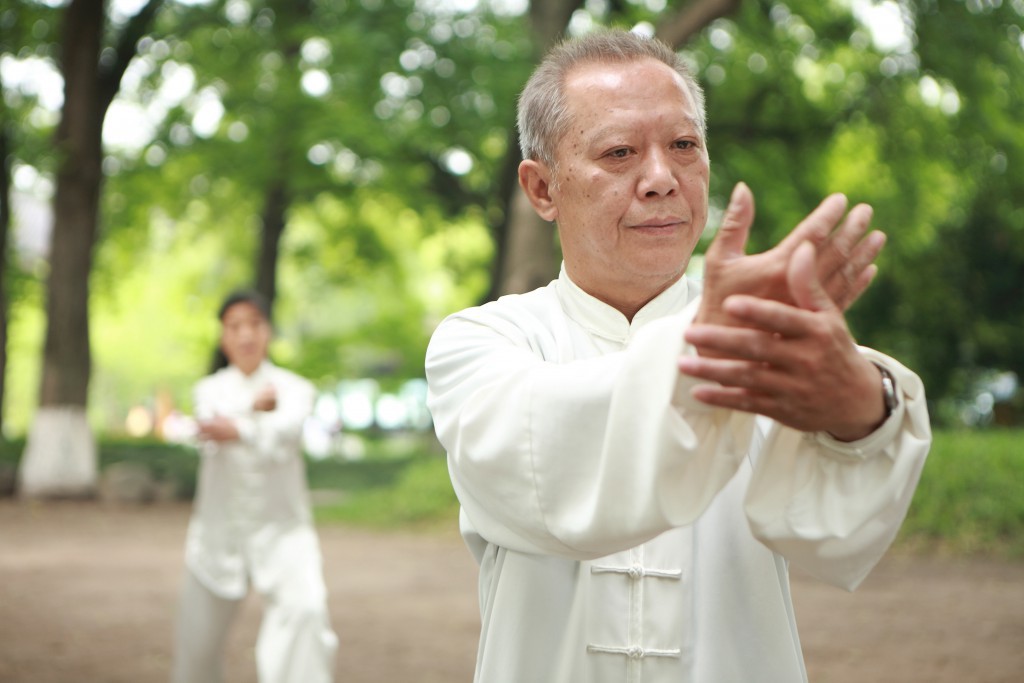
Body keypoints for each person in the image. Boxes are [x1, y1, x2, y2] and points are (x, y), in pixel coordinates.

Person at [425, 29, 931, 683]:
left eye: (685, 145)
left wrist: (864, 410)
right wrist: (711, 338)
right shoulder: (483, 343)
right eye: (619, 151)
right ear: (542, 187)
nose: (662, 179)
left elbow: (829, 534)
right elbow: (540, 454)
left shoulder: (768, 334)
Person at [171, 290, 337, 683]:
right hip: (216, 536)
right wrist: (252, 411)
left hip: (284, 532)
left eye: (254, 324)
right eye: (234, 326)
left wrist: (242, 426)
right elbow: (205, 428)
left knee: (306, 613)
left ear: (269, 332)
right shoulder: (208, 389)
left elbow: (285, 431)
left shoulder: (295, 388)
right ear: (223, 337)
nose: (245, 335)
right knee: (196, 648)